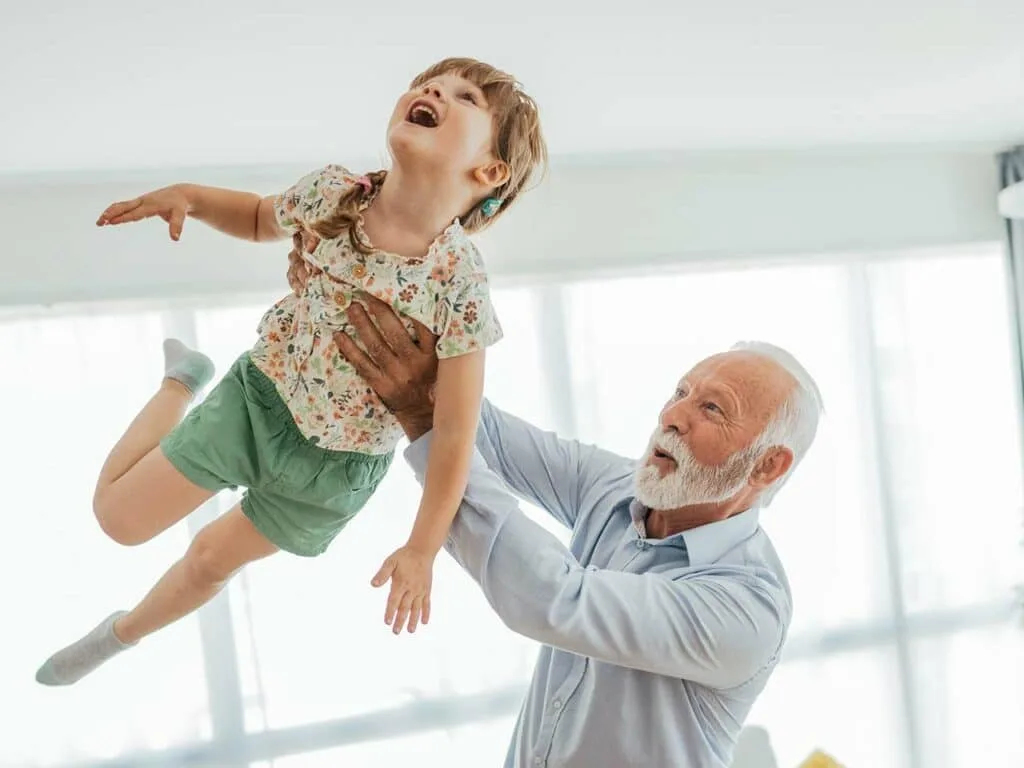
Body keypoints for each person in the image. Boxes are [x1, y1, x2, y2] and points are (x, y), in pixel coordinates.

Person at [34, 57, 547, 687]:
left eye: (462, 96)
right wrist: (190, 198)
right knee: (118, 521)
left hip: (334, 474)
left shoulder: (461, 285)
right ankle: (181, 382)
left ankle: (122, 634)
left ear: (489, 170)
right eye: (427, 84)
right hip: (259, 406)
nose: (432, 91)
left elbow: (455, 434)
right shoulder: (334, 192)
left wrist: (421, 547)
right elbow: (255, 217)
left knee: (209, 560)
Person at [298, 275, 824, 767]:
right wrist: (386, 303)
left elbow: (555, 600)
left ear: (766, 465)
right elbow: (489, 437)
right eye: (681, 392)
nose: (672, 415)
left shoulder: (746, 608)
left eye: (712, 408)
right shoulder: (622, 489)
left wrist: (418, 416)